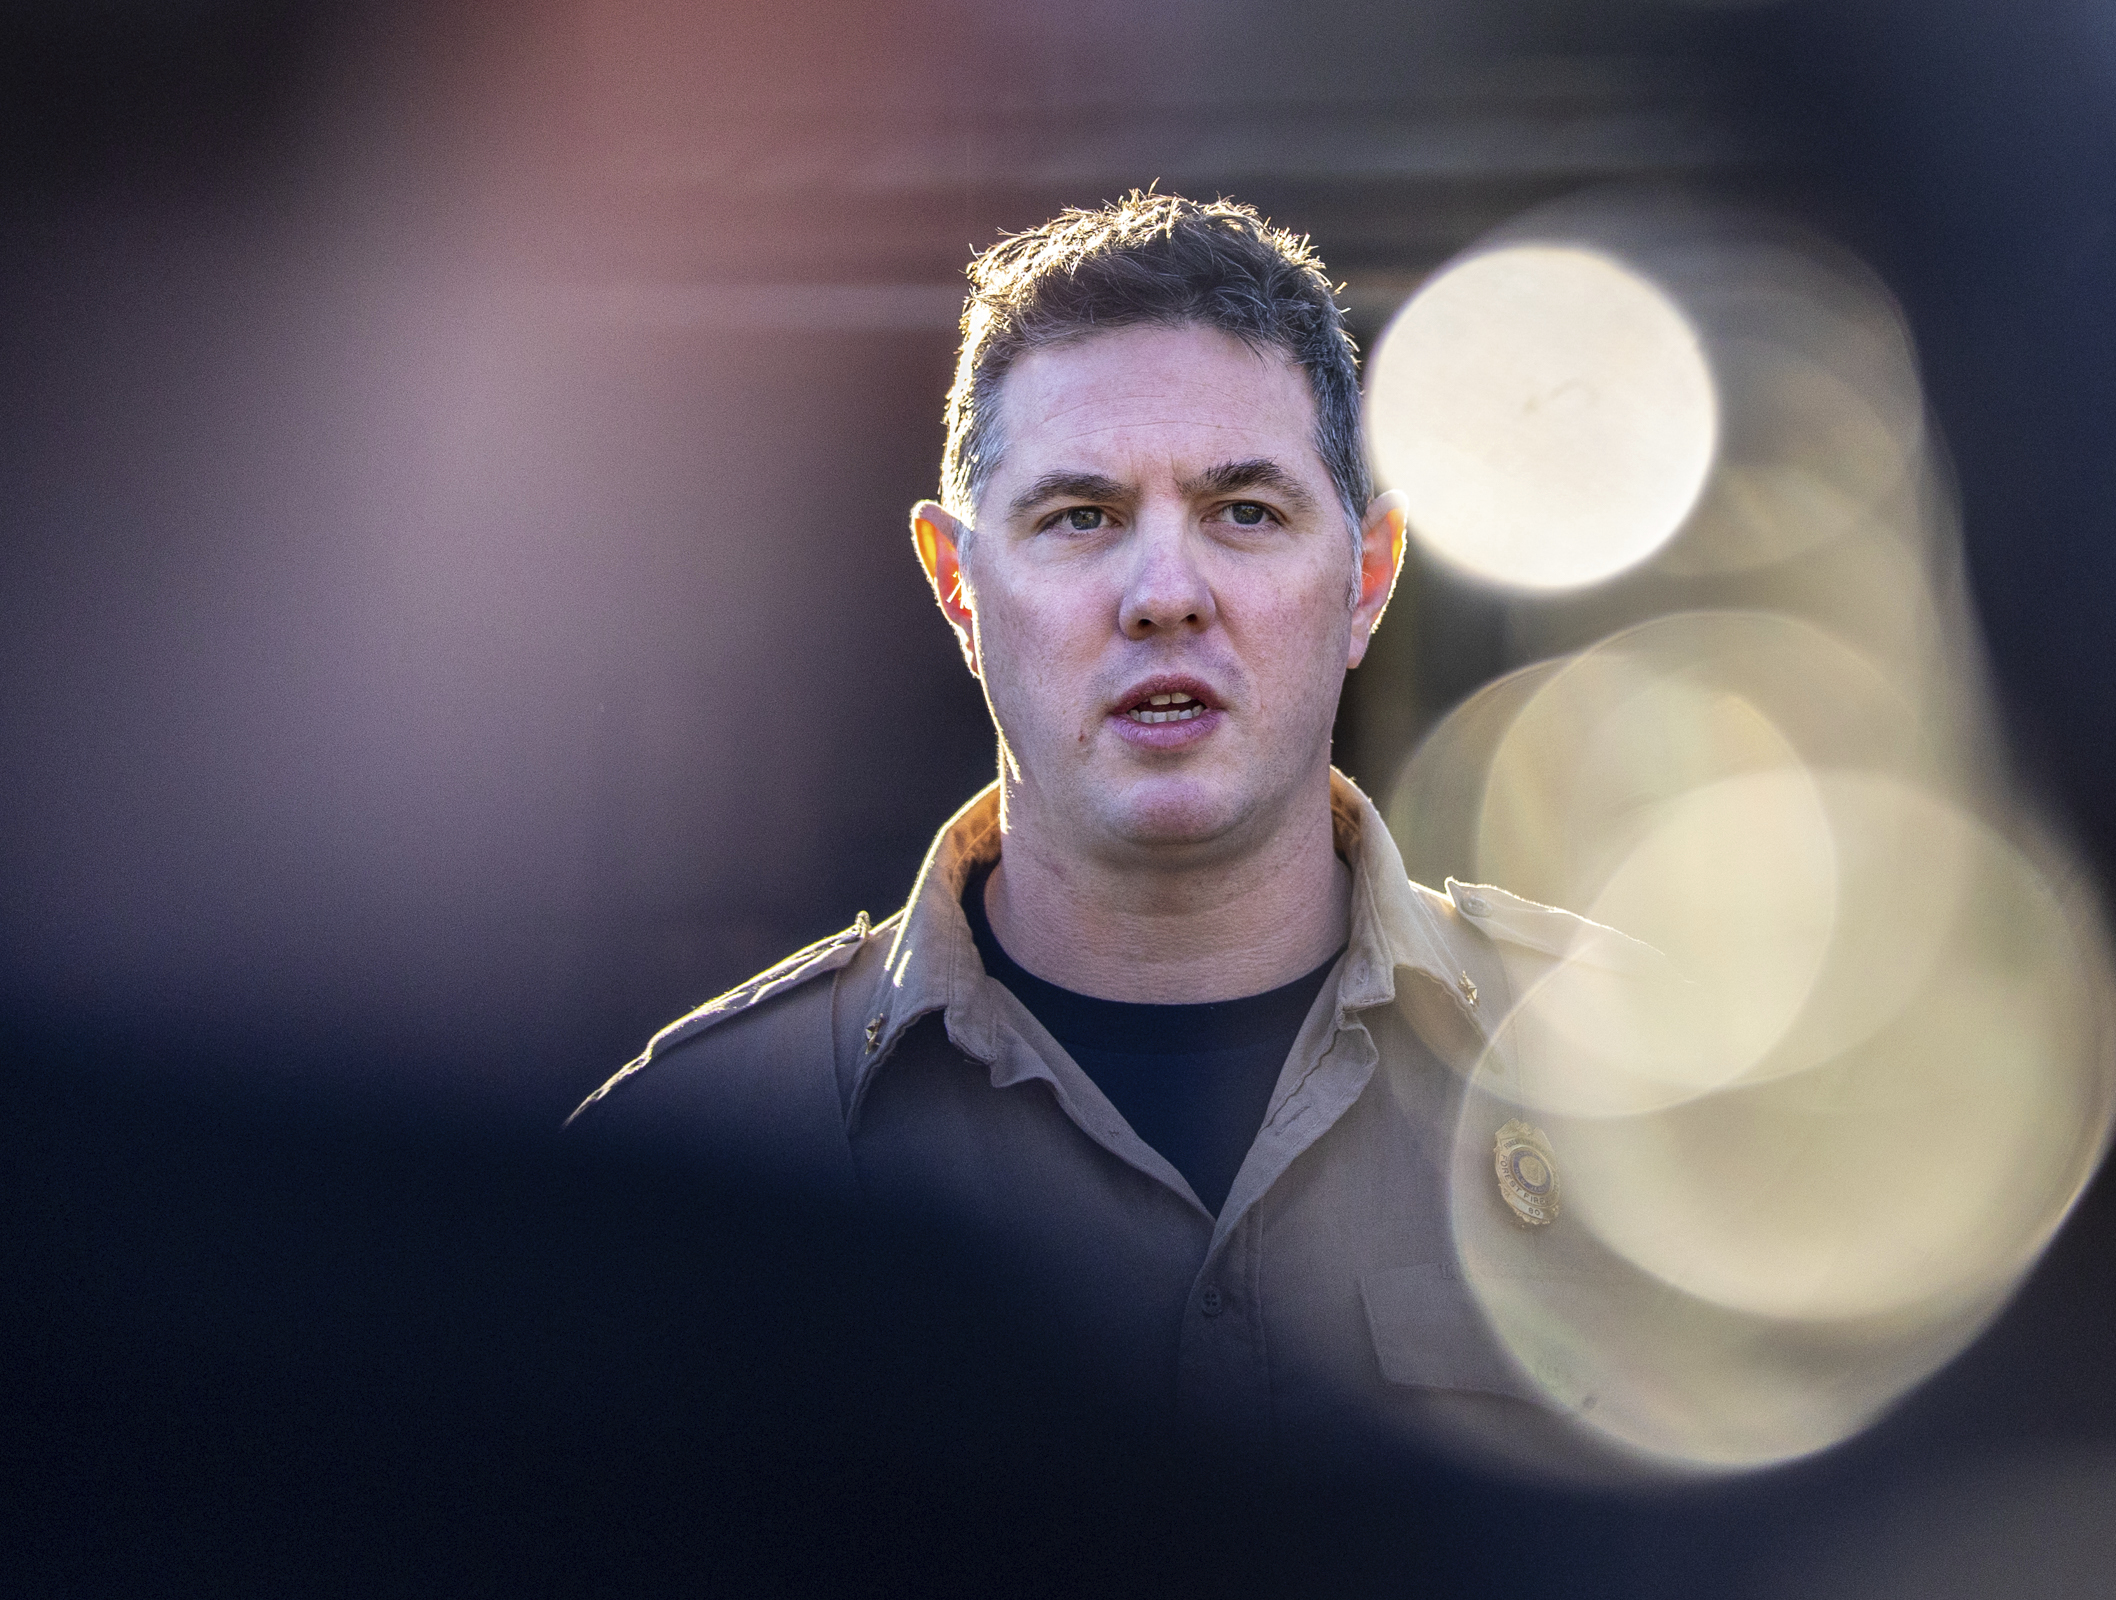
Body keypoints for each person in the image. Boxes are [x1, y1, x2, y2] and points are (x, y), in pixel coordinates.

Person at [571, 193, 1638, 1461]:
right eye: (1080, 516)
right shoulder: (694, 1163)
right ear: (958, 585)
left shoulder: (1645, 1087)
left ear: (1365, 579)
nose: (1164, 596)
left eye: (1244, 510)